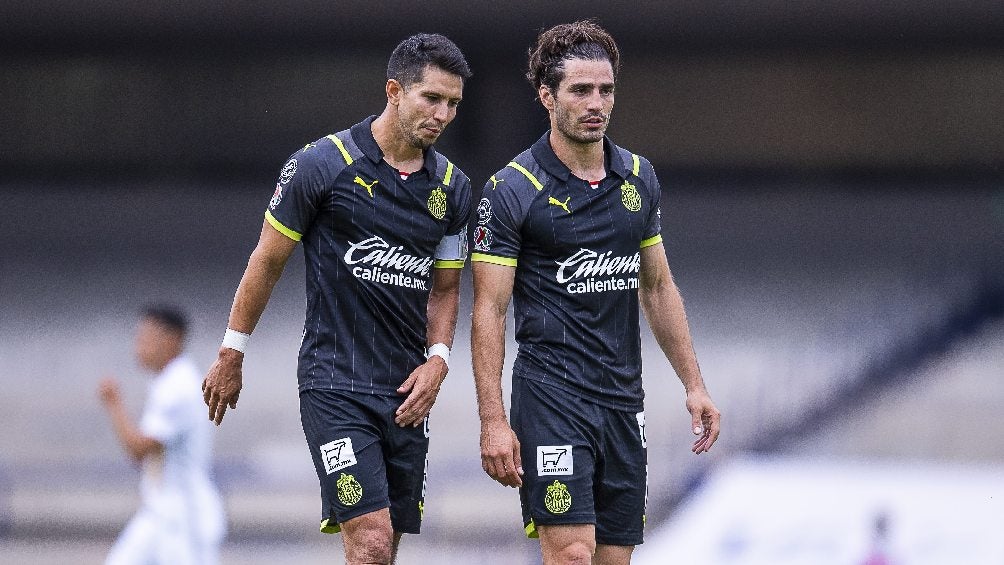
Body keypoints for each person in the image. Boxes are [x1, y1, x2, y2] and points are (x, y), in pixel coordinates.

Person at [201, 33, 473, 565]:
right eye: (432, 98)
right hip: (334, 384)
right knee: (370, 540)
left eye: (453, 104)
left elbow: (445, 288)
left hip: (405, 392)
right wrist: (232, 351)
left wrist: (438, 359)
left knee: (385, 547)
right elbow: (267, 260)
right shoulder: (322, 164)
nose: (443, 114)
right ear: (394, 91)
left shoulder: (452, 188)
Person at [471, 21, 721, 564]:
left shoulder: (638, 177)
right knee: (573, 556)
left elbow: (658, 287)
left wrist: (694, 384)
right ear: (546, 96)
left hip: (623, 403)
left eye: (606, 90)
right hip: (552, 398)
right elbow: (488, 309)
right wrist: (493, 419)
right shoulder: (511, 190)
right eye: (580, 90)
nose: (596, 103)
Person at [98, 305, 226, 565]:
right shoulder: (167, 381)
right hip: (159, 511)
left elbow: (138, 450)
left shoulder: (178, 386)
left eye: (146, 338)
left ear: (171, 339)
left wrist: (114, 404)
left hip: (184, 516)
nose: (139, 346)